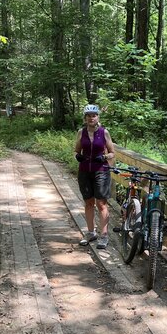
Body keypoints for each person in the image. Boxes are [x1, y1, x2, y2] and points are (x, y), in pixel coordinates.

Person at [75, 104, 115, 249]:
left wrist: (104, 157)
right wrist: (77, 156)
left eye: (94, 115)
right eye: (88, 116)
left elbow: (112, 153)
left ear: (97, 117)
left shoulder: (104, 132)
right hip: (85, 171)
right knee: (89, 203)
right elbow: (76, 150)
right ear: (85, 118)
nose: (91, 118)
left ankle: (104, 235)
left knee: (101, 203)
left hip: (101, 171)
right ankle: (91, 233)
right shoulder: (81, 132)